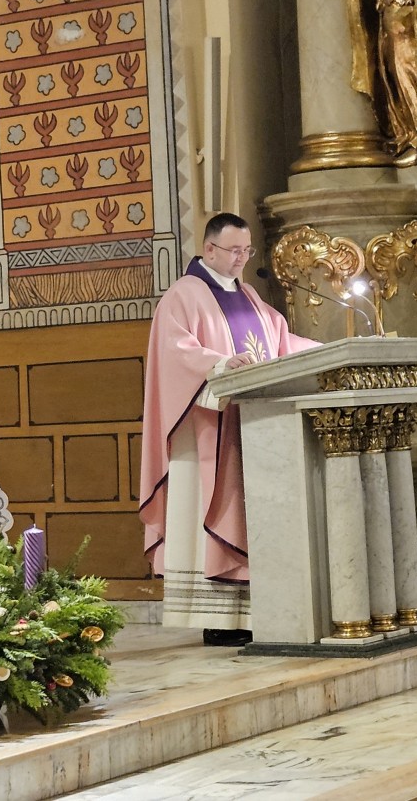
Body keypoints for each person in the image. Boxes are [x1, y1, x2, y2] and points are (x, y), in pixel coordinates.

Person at [138, 213, 319, 646]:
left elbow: (280, 343)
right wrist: (219, 364)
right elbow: (174, 351)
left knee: (249, 514)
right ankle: (215, 617)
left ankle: (251, 614)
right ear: (209, 249)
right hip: (206, 431)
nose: (241, 258)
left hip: (250, 428)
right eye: (234, 250)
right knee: (211, 509)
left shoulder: (249, 295)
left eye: (247, 251)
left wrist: (332, 349)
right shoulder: (184, 295)